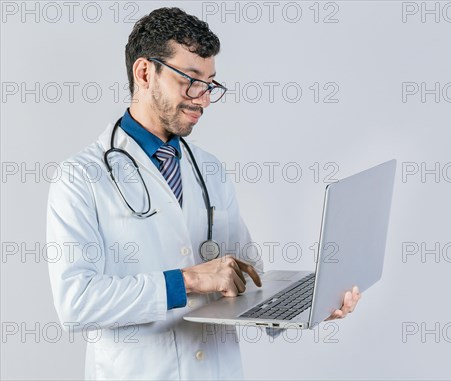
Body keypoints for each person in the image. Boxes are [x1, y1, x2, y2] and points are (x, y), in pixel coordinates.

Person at [47, 7, 360, 380]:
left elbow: (246, 277)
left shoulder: (209, 168)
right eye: (191, 80)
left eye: (210, 84)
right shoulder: (81, 177)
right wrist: (190, 280)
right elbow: (76, 303)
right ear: (145, 72)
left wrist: (307, 308)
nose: (203, 99)